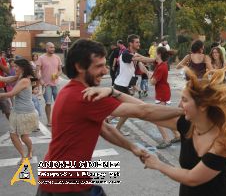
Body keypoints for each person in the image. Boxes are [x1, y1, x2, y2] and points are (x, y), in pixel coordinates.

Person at [36, 39, 183, 195]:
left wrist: (132, 147)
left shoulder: (69, 90)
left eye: (105, 65)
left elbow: (104, 128)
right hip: (67, 186)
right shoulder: (86, 96)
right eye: (99, 66)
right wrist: (183, 110)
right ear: (79, 67)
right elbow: (143, 111)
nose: (105, 71)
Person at [143, 67, 226, 196]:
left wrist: (157, 164)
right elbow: (144, 111)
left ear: (202, 106)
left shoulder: (223, 139)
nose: (179, 105)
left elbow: (192, 178)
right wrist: (116, 95)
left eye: (184, 100)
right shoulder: (189, 124)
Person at [0, 59, 39, 164]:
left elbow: (10, 94)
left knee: (24, 136)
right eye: (14, 66)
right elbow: (5, 79)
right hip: (16, 111)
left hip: (26, 113)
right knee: (13, 135)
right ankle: (23, 155)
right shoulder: (19, 77)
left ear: (22, 67)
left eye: (16, 67)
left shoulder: (25, 80)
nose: (14, 68)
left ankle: (30, 151)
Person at [113, 34, 152, 135]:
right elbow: (142, 59)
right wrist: (156, 60)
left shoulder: (134, 54)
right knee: (126, 109)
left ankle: (113, 125)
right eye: (137, 42)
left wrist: (148, 73)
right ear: (131, 43)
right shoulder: (126, 54)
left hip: (124, 85)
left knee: (125, 109)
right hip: (120, 85)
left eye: (139, 42)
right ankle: (110, 124)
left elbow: (141, 64)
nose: (139, 44)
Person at [151, 46, 180, 149]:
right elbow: (150, 60)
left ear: (159, 54)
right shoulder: (161, 64)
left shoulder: (161, 67)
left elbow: (152, 82)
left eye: (155, 53)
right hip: (163, 93)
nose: (154, 54)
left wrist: (146, 72)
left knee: (157, 118)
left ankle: (166, 139)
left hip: (162, 94)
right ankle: (177, 135)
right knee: (167, 116)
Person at [36, 42, 62, 127]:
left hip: (56, 84)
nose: (53, 49)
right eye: (51, 47)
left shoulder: (57, 57)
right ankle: (49, 121)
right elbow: (37, 72)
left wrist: (58, 75)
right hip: (46, 85)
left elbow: (60, 70)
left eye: (53, 47)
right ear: (46, 48)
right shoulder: (41, 58)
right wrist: (41, 81)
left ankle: (58, 120)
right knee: (48, 103)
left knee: (58, 103)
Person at [0, 51, 11, 119]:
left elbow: (8, 71)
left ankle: (13, 128)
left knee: (7, 109)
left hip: (0, 88)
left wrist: (0, 64)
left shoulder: (1, 59)